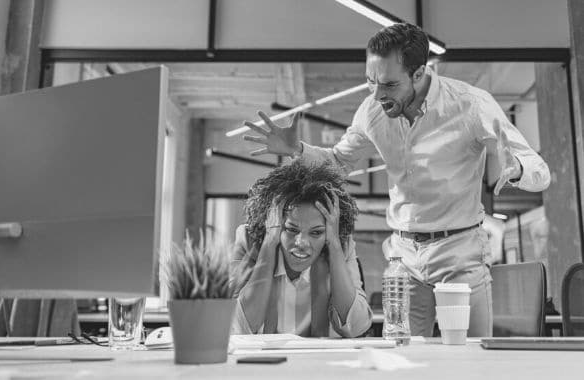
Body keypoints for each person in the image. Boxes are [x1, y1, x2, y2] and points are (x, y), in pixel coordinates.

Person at [241, 23, 550, 337]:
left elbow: (541, 172)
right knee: (401, 357)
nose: (377, 94)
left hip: (460, 249)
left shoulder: (471, 105)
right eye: (370, 80)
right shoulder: (372, 111)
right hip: (404, 254)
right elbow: (338, 162)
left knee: (469, 356)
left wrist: (519, 170)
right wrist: (297, 149)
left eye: (388, 84)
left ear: (418, 74)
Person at [230, 160, 372, 337]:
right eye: (291, 229)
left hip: (320, 362)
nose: (302, 242)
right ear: (272, 223)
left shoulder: (341, 246)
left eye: (316, 232)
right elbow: (239, 327)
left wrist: (334, 246)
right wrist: (269, 244)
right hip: (263, 362)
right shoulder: (249, 241)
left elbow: (356, 327)